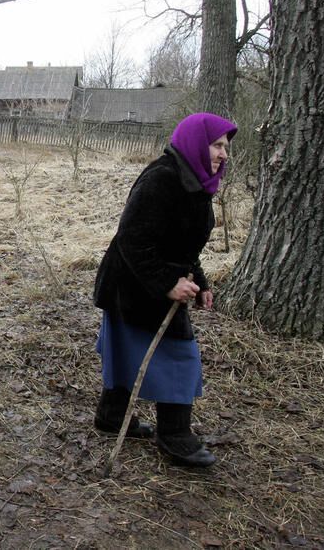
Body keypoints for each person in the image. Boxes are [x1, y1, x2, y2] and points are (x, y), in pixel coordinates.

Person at [92, 112, 237, 468]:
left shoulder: (197, 182)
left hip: (152, 283)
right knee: (180, 357)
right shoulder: (162, 178)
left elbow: (184, 248)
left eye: (226, 148)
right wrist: (166, 283)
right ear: (195, 142)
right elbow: (132, 239)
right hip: (133, 284)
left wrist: (200, 282)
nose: (223, 154)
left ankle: (111, 417)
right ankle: (175, 435)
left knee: (127, 351)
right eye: (217, 145)